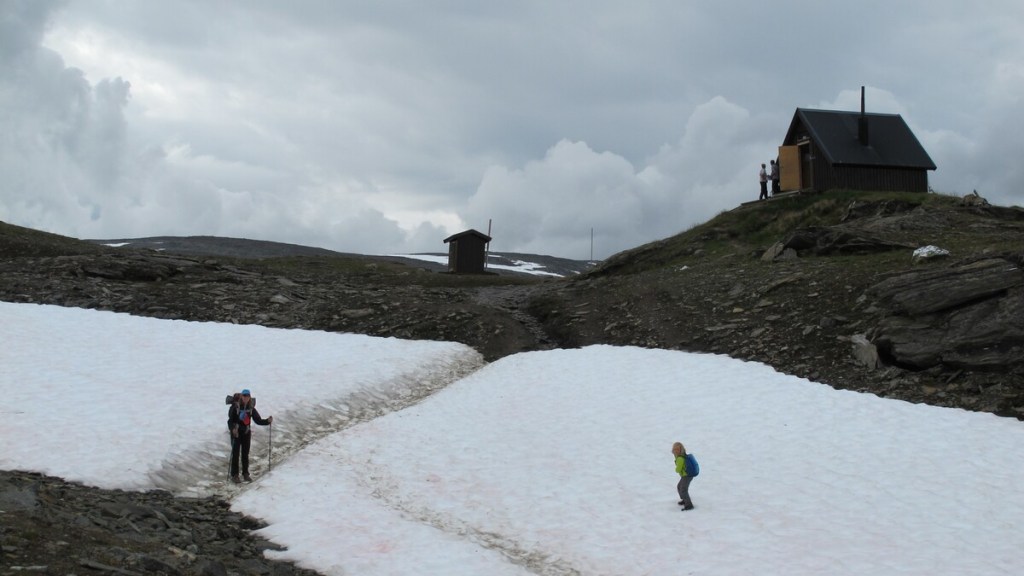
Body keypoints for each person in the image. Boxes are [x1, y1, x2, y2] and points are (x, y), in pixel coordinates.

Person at [228, 388, 273, 483]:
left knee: (245, 453)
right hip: (236, 433)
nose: (246, 397)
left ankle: (245, 474)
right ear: (241, 396)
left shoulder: (251, 408)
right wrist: (232, 429)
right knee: (235, 454)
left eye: (247, 396)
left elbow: (258, 420)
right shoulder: (236, 407)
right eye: (244, 396)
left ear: (249, 397)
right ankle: (235, 475)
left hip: (246, 433)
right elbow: (230, 421)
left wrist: (267, 421)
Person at [672, 441, 695, 511]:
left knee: (683, 489)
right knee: (679, 487)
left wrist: (676, 469)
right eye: (675, 449)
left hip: (687, 476)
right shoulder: (682, 456)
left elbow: (678, 469)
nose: (676, 451)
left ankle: (689, 505)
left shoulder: (680, 458)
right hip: (685, 475)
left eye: (678, 449)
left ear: (681, 450)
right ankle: (685, 499)